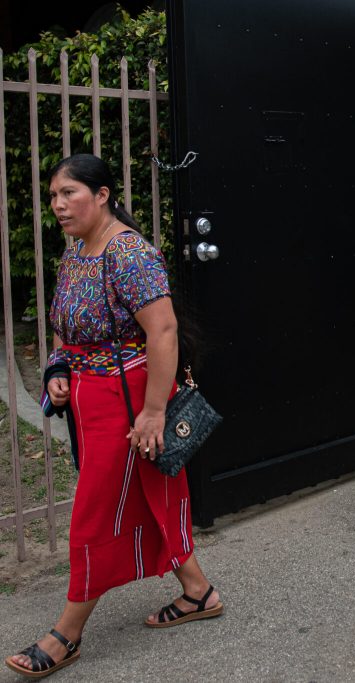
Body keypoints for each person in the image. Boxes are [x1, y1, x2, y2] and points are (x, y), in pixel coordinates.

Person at [5, 154, 223, 679]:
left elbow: (163, 331)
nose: (57, 204)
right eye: (53, 195)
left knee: (94, 514)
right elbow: (65, 323)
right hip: (93, 401)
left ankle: (66, 634)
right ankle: (199, 592)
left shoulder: (129, 253)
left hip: (131, 405)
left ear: (102, 194)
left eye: (69, 193)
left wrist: (152, 413)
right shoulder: (78, 249)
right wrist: (58, 367)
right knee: (150, 496)